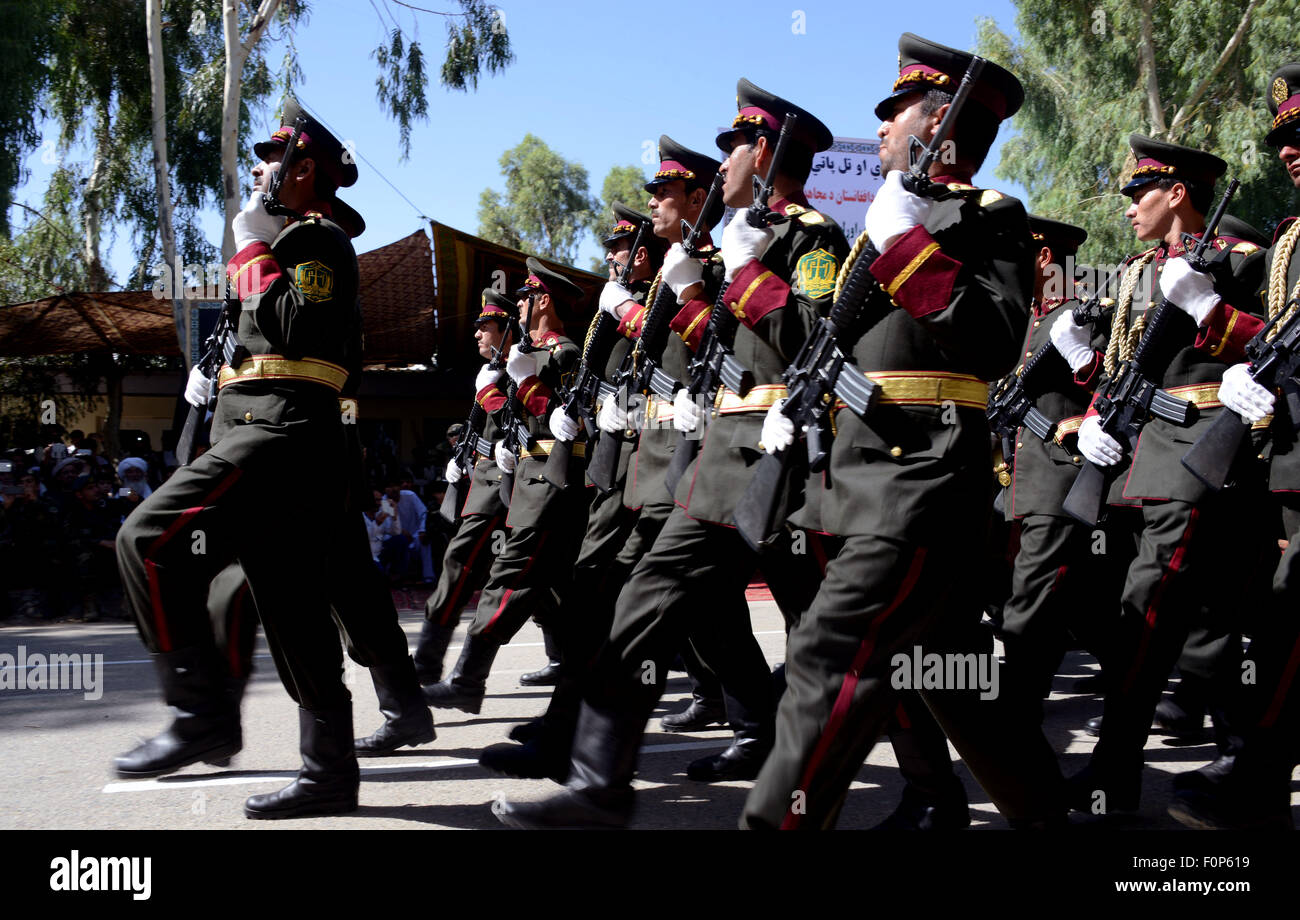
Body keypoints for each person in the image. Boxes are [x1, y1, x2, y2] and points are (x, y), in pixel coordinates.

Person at [493, 79, 848, 827]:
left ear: (767, 152)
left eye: (733, 150)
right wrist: (694, 300)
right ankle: (599, 779)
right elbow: (718, 354)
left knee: (833, 629)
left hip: (788, 459)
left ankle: (927, 782)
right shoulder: (731, 243)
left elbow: (810, 345)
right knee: (647, 599)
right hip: (722, 454)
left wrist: (744, 276)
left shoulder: (811, 238)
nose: (722, 168)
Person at [738, 34, 1067, 830]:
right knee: (950, 678)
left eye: (893, 113)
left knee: (825, 659)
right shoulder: (882, 223)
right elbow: (829, 341)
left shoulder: (987, 218)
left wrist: (908, 245)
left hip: (922, 480)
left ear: (938, 125)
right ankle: (1050, 820)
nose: (879, 127)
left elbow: (992, 339)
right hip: (867, 480)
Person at [113, 99, 373, 819]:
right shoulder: (283, 245)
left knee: (145, 539)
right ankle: (330, 775)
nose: (258, 170)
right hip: (265, 437)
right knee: (293, 615)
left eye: (270, 159)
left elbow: (297, 329)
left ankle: (199, 714)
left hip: (283, 437)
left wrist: (254, 250)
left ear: (303, 170)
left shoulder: (318, 243)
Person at [1056, 132, 1266, 816]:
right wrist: (1094, 415)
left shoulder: (1240, 261)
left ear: (1178, 195)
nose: (1127, 210)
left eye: (1139, 194)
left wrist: (1209, 307)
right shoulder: (1140, 276)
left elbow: (1270, 343)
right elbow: (1123, 370)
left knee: (1144, 618)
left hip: (1201, 458)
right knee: (1207, 619)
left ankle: (1113, 775)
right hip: (1143, 461)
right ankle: (1245, 757)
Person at [1168, 63, 1300, 829]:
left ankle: (1254, 769)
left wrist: (1218, 317)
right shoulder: (1291, 238)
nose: (1288, 150)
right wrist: (1254, 369)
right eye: (1281, 137)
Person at [422, 258, 592, 713]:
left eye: (523, 297)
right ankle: (577, 704)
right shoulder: (529, 353)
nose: (517, 304)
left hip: (552, 486)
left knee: (509, 577)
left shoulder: (564, 353)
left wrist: (514, 389)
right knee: (560, 595)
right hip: (528, 483)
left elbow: (567, 422)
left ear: (543, 301)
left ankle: (466, 679)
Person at [413, 290, 516, 684]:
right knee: (542, 583)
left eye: (485, 327)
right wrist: (463, 459)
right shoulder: (492, 370)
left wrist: (490, 393)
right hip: (486, 479)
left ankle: (426, 665)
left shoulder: (516, 368)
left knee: (460, 562)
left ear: (506, 330)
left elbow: (522, 422)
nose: (477, 334)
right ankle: (561, 657)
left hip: (506, 484)